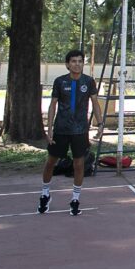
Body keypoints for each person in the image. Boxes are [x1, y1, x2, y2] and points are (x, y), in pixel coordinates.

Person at [39, 49, 101, 216]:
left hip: (80, 130)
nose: (77, 64)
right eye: (73, 61)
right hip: (61, 129)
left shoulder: (89, 82)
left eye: (80, 61)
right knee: (51, 161)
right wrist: (49, 128)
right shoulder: (60, 82)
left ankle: (75, 198)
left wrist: (100, 124)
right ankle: (45, 193)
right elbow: (53, 105)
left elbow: (95, 103)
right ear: (68, 64)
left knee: (79, 164)